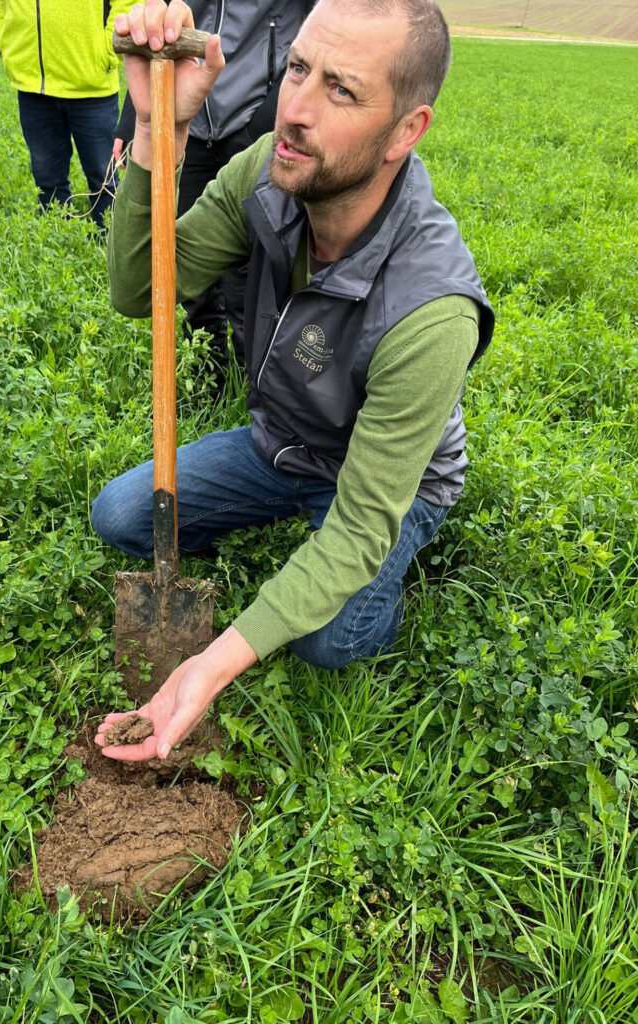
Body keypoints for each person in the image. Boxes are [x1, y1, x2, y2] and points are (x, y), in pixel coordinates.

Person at [93, 0, 495, 761]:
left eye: (341, 90)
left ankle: (386, 581)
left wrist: (211, 665)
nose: (296, 110)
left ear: (405, 131)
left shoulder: (433, 312)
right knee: (120, 515)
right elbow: (141, 291)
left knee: (326, 636)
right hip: (282, 443)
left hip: (385, 483)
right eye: (299, 69)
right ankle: (302, 540)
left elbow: (360, 524)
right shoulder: (271, 173)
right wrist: (155, 129)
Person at [114, 0, 313, 375]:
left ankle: (250, 378)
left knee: (248, 269)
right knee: (188, 256)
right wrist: (136, 119)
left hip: (254, 121)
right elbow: (162, 19)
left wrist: (270, 118)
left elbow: (324, 24)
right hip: (191, 121)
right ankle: (208, 375)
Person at [0, 0, 134, 227]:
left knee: (104, 180)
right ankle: (57, 238)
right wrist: (2, 40)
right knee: (47, 180)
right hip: (32, 83)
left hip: (92, 84)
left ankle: (111, 244)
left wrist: (109, 48)